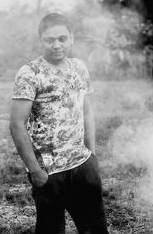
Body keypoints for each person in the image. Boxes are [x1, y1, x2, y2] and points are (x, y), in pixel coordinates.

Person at [9, 13, 109, 234]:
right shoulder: (30, 73)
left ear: (72, 38)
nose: (56, 45)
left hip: (83, 165)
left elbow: (87, 112)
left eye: (62, 38)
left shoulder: (79, 68)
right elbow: (17, 124)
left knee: (95, 229)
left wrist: (91, 154)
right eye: (49, 40)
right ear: (40, 41)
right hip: (49, 172)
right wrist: (36, 171)